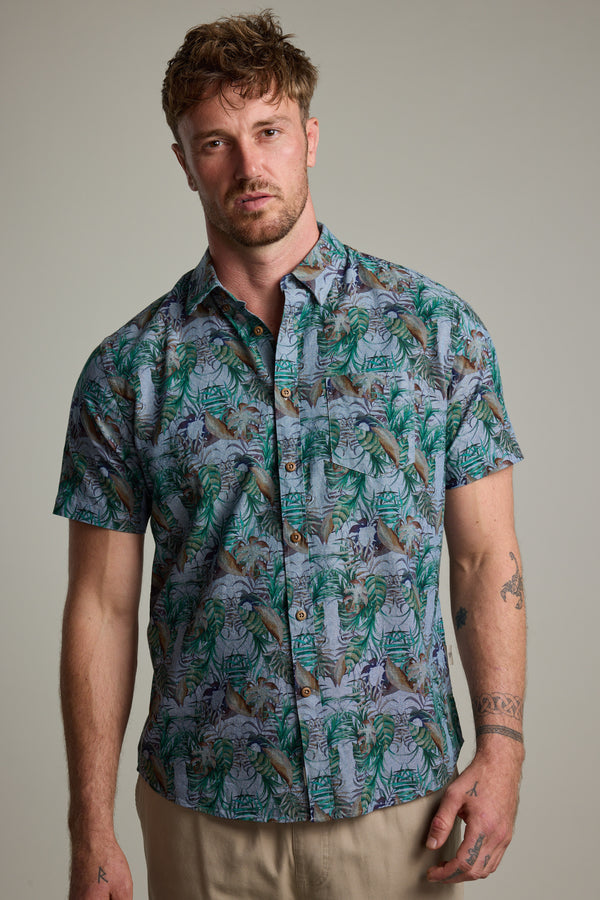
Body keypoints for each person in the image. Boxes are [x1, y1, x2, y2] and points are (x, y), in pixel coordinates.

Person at [54, 10, 526, 900]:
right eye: (215, 142)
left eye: (267, 131)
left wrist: (501, 750)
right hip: (203, 815)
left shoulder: (436, 330)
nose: (247, 164)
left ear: (309, 137)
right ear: (185, 161)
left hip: (399, 809)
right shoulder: (128, 369)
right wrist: (91, 824)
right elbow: (102, 608)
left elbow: (483, 558)